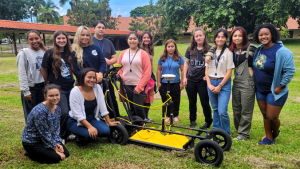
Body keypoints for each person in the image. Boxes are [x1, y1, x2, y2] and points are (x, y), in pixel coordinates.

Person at [205, 27, 257, 140]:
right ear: (232, 38)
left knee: (244, 110)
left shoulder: (251, 48)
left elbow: (261, 57)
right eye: (235, 36)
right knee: (236, 109)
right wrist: (210, 53)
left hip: (247, 82)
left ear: (244, 36)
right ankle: (235, 131)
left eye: (240, 35)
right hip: (236, 82)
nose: (237, 38)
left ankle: (243, 134)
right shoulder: (232, 49)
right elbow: (217, 46)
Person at [252, 23, 295, 145]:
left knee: (272, 117)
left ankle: (275, 132)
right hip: (260, 89)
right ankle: (269, 138)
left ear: (272, 34)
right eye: (261, 35)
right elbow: (258, 66)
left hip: (275, 90)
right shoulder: (259, 49)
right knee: (265, 115)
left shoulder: (282, 51)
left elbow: (290, 70)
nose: (263, 37)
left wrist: (281, 86)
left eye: (266, 34)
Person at [67, 68, 120, 146]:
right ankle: (79, 136)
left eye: (94, 78)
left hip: (91, 118)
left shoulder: (97, 88)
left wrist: (109, 122)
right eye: (89, 77)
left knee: (106, 131)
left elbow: (103, 107)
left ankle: (87, 132)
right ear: (82, 77)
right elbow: (78, 115)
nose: (91, 80)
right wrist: (90, 127)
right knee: (89, 135)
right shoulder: (74, 92)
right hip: (75, 121)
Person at [41, 30, 75, 142]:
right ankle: (59, 136)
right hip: (57, 88)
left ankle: (68, 132)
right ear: (55, 40)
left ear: (67, 40)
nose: (61, 40)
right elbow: (44, 69)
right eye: (59, 38)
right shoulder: (49, 53)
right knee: (63, 112)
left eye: (63, 38)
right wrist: (48, 82)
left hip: (70, 86)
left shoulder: (71, 53)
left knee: (71, 111)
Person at [22, 84, 69, 163]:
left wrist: (57, 143)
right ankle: (31, 153)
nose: (55, 98)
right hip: (33, 141)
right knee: (56, 158)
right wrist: (54, 148)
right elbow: (44, 133)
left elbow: (56, 129)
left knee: (66, 154)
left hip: (47, 138)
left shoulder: (57, 108)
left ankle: (44, 152)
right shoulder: (40, 111)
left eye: (57, 95)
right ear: (45, 96)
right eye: (51, 96)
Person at [205, 28, 234, 134]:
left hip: (223, 84)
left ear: (226, 39)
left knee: (222, 111)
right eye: (218, 37)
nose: (220, 39)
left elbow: (229, 72)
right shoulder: (210, 52)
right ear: (215, 38)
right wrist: (209, 84)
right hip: (211, 82)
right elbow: (206, 70)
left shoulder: (229, 53)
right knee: (215, 109)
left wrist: (220, 86)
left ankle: (226, 132)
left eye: (223, 37)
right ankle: (216, 129)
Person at [182, 28, 213, 128]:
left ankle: (208, 121)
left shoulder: (210, 49)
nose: (199, 38)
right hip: (190, 79)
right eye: (196, 36)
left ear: (204, 36)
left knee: (205, 102)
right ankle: (192, 121)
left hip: (202, 80)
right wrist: (184, 77)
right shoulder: (190, 49)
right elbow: (186, 63)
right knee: (192, 101)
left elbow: (213, 65)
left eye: (200, 35)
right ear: (194, 38)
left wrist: (208, 76)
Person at [117, 31, 152, 120]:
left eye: (134, 39)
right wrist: (119, 75)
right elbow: (119, 68)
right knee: (131, 107)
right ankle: (133, 125)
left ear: (138, 40)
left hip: (138, 85)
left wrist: (140, 87)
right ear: (127, 40)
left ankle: (141, 124)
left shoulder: (143, 54)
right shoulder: (122, 53)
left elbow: (147, 72)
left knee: (138, 107)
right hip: (126, 85)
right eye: (130, 39)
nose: (132, 41)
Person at [17, 30, 47, 122]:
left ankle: (41, 133)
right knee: (31, 113)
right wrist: (26, 91)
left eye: (36, 38)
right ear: (27, 40)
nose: (34, 41)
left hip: (42, 87)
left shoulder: (44, 52)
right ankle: (30, 135)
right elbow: (22, 73)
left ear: (40, 38)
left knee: (42, 112)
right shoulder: (23, 53)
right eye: (31, 39)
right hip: (31, 89)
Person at [92, 20, 120, 118]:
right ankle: (98, 117)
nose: (101, 29)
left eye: (103, 28)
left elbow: (115, 58)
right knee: (95, 97)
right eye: (99, 27)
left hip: (107, 74)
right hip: (94, 75)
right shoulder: (90, 41)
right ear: (94, 29)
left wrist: (108, 61)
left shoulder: (108, 42)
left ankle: (114, 117)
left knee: (110, 96)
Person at [156, 39, 184, 123]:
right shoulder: (162, 58)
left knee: (176, 99)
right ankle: (168, 115)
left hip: (175, 83)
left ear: (175, 47)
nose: (170, 48)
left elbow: (182, 70)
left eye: (172, 46)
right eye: (169, 46)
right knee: (165, 99)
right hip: (164, 83)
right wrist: (158, 82)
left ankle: (175, 115)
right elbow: (158, 70)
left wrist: (182, 83)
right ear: (166, 47)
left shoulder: (179, 57)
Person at [140, 31, 155, 121]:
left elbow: (151, 64)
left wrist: (151, 75)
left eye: (148, 37)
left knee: (148, 98)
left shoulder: (150, 49)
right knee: (142, 98)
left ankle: (146, 116)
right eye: (144, 37)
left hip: (150, 77)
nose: (146, 39)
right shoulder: (139, 50)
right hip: (142, 77)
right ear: (141, 39)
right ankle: (142, 117)